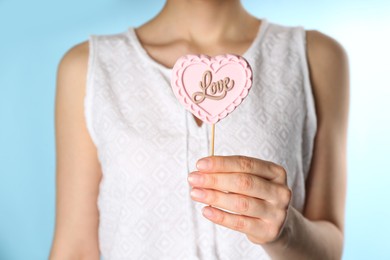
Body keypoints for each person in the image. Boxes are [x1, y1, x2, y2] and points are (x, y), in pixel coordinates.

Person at [49, 0, 349, 259]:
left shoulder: (315, 56)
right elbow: (75, 250)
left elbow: (330, 249)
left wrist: (286, 230)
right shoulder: (88, 67)